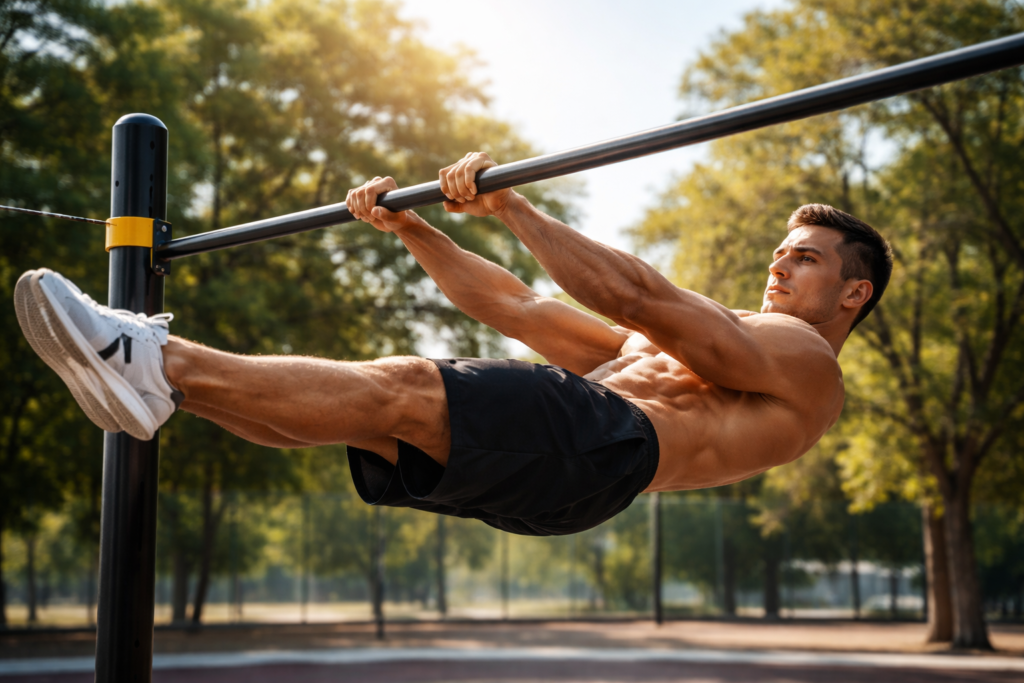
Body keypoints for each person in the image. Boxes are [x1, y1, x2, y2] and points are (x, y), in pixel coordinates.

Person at [14, 152, 892, 537]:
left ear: (853, 292)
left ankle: (155, 361)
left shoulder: (803, 360)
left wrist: (511, 203)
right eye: (780, 249)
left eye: (805, 257)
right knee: (365, 421)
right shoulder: (723, 350)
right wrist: (412, 229)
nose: (781, 262)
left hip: (610, 442)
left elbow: (641, 293)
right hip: (584, 464)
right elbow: (511, 304)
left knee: (396, 386)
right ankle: (165, 389)